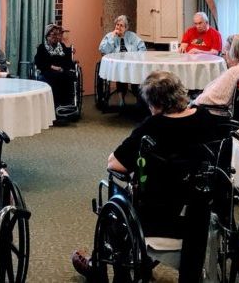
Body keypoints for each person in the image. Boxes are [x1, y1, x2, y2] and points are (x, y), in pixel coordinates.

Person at [71, 70, 220, 276]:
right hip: (203, 210)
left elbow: (115, 164)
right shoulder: (205, 117)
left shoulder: (154, 126)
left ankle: (100, 264)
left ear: (155, 104)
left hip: (160, 217)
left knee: (116, 195)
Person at [194, 34, 239, 108]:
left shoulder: (234, 72)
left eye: (227, 50)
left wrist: (194, 102)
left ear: (234, 52)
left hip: (219, 112)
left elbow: (213, 97)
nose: (224, 53)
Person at [34, 23, 76, 109]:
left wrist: (63, 68)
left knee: (69, 76)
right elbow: (39, 62)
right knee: (53, 78)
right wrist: (52, 67)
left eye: (57, 35)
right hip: (48, 71)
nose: (56, 37)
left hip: (62, 70)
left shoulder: (62, 47)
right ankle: (55, 104)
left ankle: (67, 104)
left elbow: (68, 61)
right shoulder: (42, 48)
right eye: (53, 35)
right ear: (47, 36)